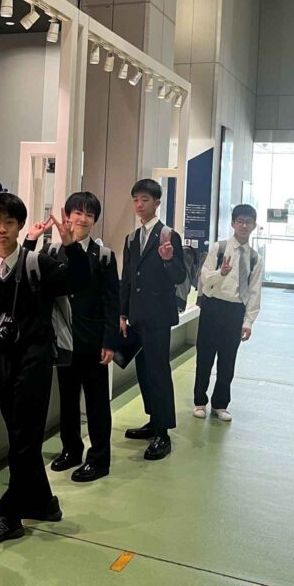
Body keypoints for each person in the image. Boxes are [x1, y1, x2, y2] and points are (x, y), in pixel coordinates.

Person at [0, 192, 91, 545]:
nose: (2, 229)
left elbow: (78, 282)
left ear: (20, 227)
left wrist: (72, 247)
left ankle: (9, 515)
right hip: (4, 360)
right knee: (20, 436)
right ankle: (43, 502)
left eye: (9, 223)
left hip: (35, 359)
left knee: (24, 439)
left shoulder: (37, 263)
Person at [24, 191, 119, 483]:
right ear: (67, 215)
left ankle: (99, 459)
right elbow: (28, 274)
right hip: (63, 339)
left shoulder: (104, 255)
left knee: (97, 401)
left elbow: (111, 301)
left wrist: (110, 341)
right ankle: (71, 450)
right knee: (66, 398)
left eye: (89, 214)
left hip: (93, 339)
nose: (83, 219)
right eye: (78, 212)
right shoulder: (52, 252)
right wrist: (30, 240)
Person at [120, 179, 187, 461]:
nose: (139, 205)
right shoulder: (132, 238)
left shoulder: (169, 235)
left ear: (157, 203)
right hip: (137, 316)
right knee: (144, 372)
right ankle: (153, 420)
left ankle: (163, 432)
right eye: (136, 199)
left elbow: (180, 277)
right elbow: (127, 278)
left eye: (145, 199)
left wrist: (169, 260)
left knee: (158, 371)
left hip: (158, 316)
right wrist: (123, 313)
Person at [193, 204, 263, 423]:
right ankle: (199, 402)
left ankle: (220, 404)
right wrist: (221, 273)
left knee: (227, 360)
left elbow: (254, 291)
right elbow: (205, 278)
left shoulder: (255, 258)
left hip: (235, 311)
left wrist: (248, 321)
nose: (244, 226)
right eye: (240, 221)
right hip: (212, 307)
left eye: (248, 222)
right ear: (233, 223)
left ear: (254, 226)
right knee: (204, 358)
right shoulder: (219, 248)